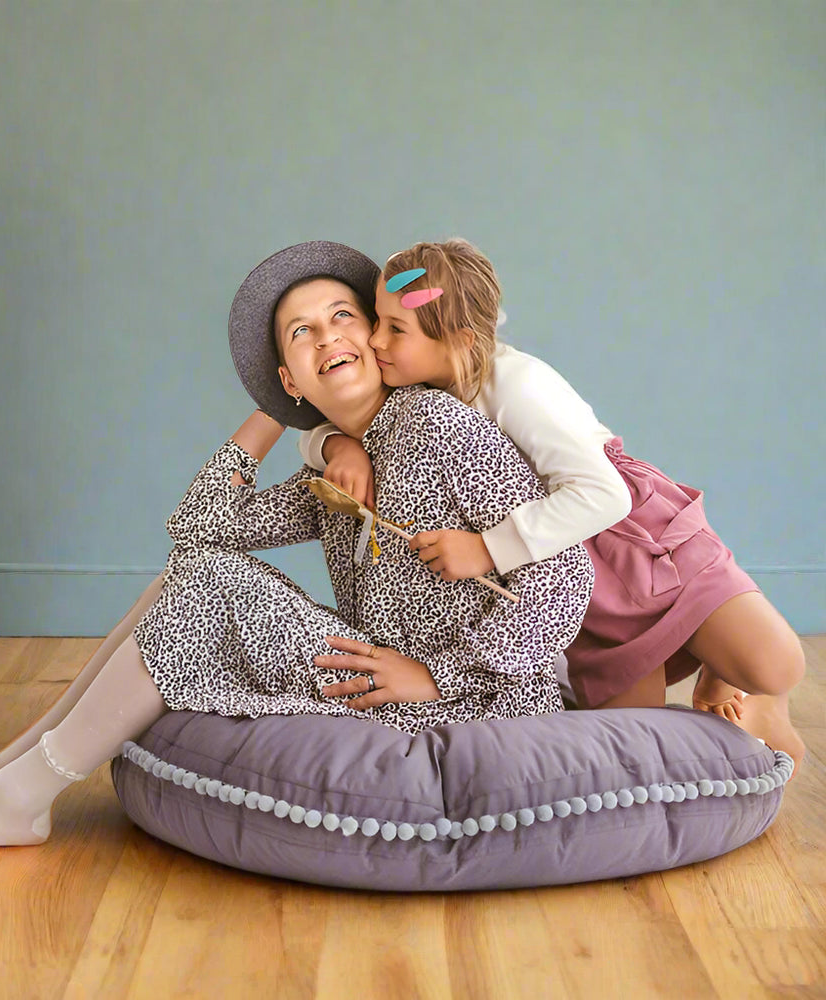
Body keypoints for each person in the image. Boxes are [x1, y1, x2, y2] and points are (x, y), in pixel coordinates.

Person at [0, 241, 593, 851]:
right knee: (197, 569)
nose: (329, 338)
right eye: (300, 334)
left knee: (210, 585)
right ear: (289, 378)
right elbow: (197, 528)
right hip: (375, 669)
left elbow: (568, 579)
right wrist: (284, 415)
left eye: (344, 316)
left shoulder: (437, 424)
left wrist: (436, 676)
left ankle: (24, 793)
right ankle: (17, 771)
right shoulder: (334, 475)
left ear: (380, 336)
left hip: (476, 697)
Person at [300, 238, 805, 767]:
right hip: (566, 572)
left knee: (775, 664)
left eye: (394, 328)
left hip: (626, 540)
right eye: (376, 320)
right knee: (633, 752)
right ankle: (696, 672)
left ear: (461, 340)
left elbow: (602, 494)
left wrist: (488, 549)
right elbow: (332, 421)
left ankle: (747, 690)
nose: (375, 340)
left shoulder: (517, 384)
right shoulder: (414, 378)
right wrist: (338, 445)